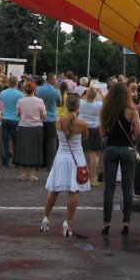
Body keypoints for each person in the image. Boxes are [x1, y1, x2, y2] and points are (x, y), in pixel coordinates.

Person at [41, 93, 91, 236]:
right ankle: (67, 222)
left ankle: (46, 217)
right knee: (74, 191)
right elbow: (86, 137)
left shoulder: (58, 121)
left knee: (54, 189)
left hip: (61, 157)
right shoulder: (82, 123)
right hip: (76, 157)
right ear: (78, 107)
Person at [100, 81, 140, 234]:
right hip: (127, 148)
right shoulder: (131, 110)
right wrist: (133, 143)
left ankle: (107, 222)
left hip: (111, 148)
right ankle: (126, 221)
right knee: (127, 187)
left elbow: (103, 133)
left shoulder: (107, 110)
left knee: (109, 188)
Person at [14, 80, 45, 181]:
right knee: (35, 150)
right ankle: (32, 174)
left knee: (23, 149)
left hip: (23, 127)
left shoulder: (20, 101)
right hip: (36, 127)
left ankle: (22, 173)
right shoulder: (40, 101)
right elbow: (44, 115)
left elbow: (18, 114)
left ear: (24, 90)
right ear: (34, 90)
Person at [36, 73, 62, 170]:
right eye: (54, 80)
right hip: (51, 119)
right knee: (52, 142)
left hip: (41, 118)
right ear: (51, 80)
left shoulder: (38, 90)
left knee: (41, 141)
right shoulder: (56, 91)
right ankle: (50, 164)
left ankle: (39, 162)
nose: (55, 81)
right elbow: (60, 104)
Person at [78, 84, 104, 186]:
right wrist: (100, 93)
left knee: (83, 153)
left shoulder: (81, 103)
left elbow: (80, 98)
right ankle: (92, 178)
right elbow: (105, 102)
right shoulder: (98, 104)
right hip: (94, 129)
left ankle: (83, 176)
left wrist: (86, 94)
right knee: (93, 155)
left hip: (83, 128)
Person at [0, 75, 23, 168]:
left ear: (8, 83)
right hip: (16, 119)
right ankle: (16, 161)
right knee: (16, 141)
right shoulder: (20, 95)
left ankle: (5, 162)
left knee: (4, 140)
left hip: (4, 118)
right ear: (17, 83)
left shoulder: (2, 93)